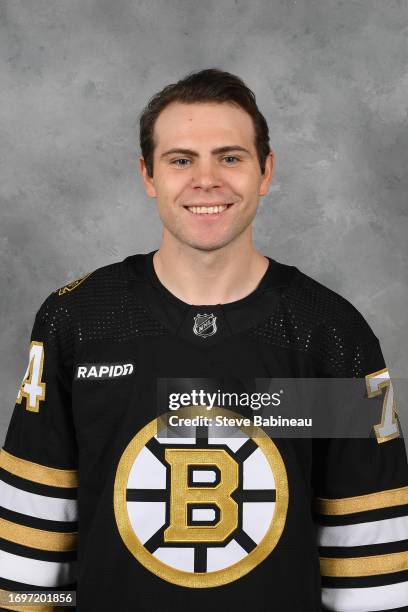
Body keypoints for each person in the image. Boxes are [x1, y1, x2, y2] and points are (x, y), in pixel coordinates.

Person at [0, 68, 407, 611]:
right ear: (148, 175)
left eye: (230, 157)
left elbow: (368, 544)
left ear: (266, 171)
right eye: (181, 159)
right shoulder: (78, 320)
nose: (206, 179)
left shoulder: (329, 332)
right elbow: (33, 527)